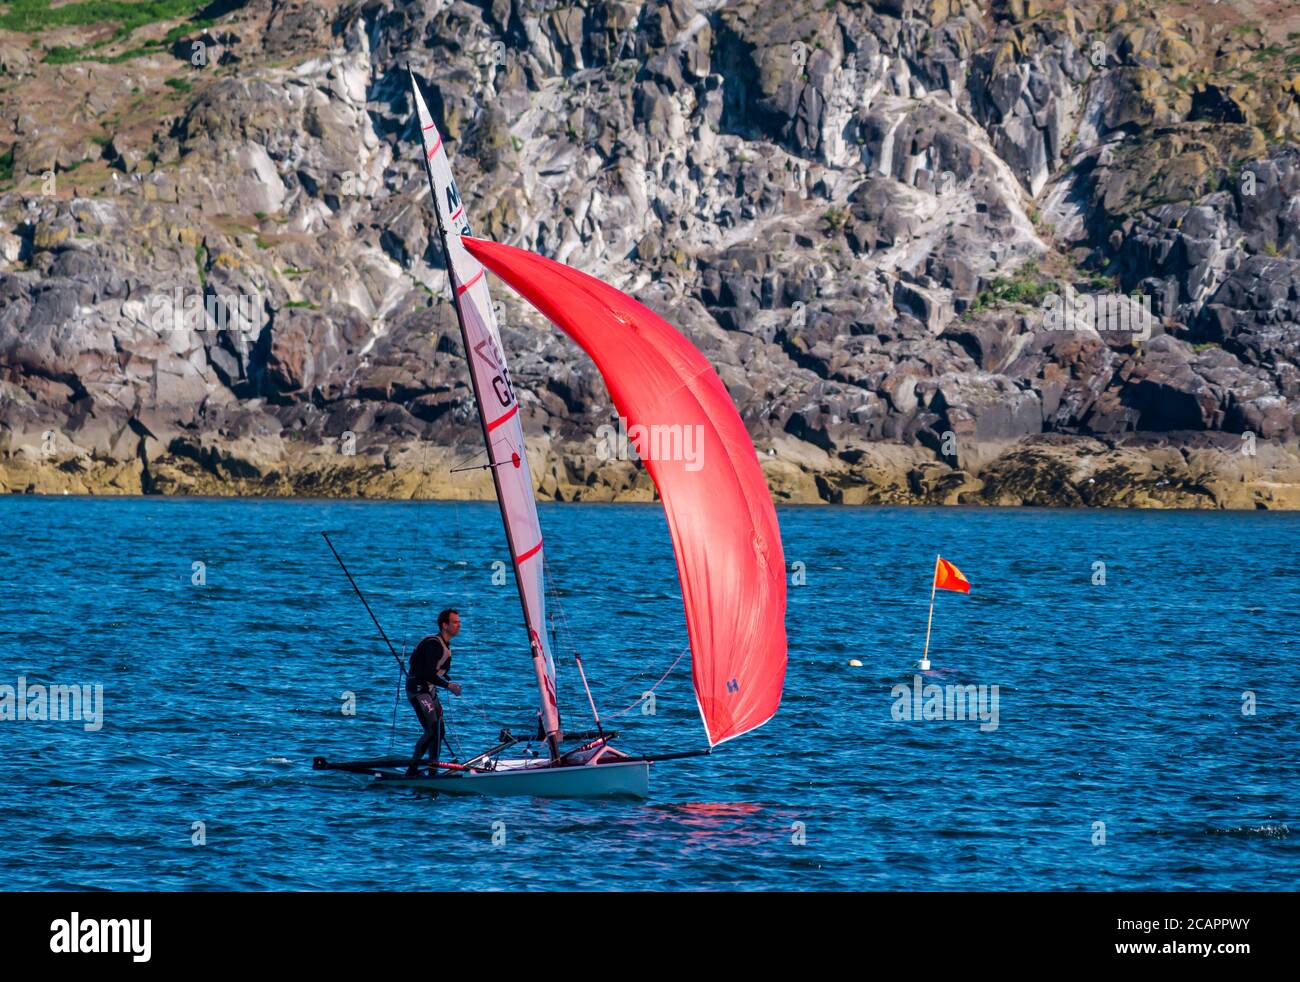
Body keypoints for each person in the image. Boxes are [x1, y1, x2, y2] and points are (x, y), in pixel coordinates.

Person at [405, 608, 463, 776]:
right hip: (418, 691)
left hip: (429, 691)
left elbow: (435, 669)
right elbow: (427, 673)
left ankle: (432, 770)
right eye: (455, 622)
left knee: (439, 731)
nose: (459, 625)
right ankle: (412, 770)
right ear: (445, 625)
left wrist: (447, 680)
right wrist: (448, 686)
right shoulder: (433, 644)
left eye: (459, 622)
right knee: (431, 730)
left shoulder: (445, 645)